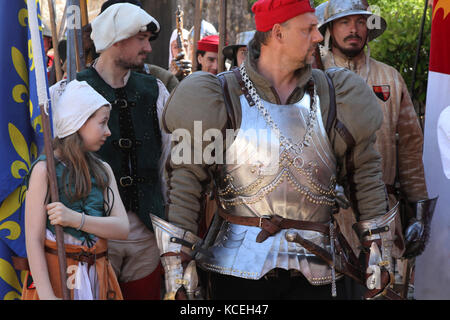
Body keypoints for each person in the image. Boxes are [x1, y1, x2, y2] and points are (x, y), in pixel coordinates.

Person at [152, 0, 401, 300]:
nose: (319, 36)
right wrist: (177, 271)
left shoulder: (334, 94)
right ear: (278, 33)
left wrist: (380, 255)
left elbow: (366, 177)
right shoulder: (219, 95)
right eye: (308, 29)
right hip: (236, 273)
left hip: (319, 272)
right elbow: (185, 186)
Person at [317, 0, 437, 290]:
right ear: (330, 29)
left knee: (382, 292)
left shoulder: (390, 79)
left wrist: (420, 215)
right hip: (325, 220)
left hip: (383, 215)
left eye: (360, 21)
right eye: (345, 22)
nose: (354, 29)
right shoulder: (312, 79)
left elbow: (410, 150)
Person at [72, 2, 171, 300]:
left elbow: (168, 164)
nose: (148, 49)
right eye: (141, 39)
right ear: (117, 38)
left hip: (146, 237)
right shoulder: (72, 92)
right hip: (93, 237)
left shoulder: (155, 90)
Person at [23, 80, 129, 300]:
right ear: (79, 122)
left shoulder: (103, 170)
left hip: (97, 278)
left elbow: (121, 228)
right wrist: (46, 295)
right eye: (103, 123)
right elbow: (32, 240)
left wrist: (75, 219)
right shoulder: (45, 171)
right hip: (57, 276)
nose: (108, 131)